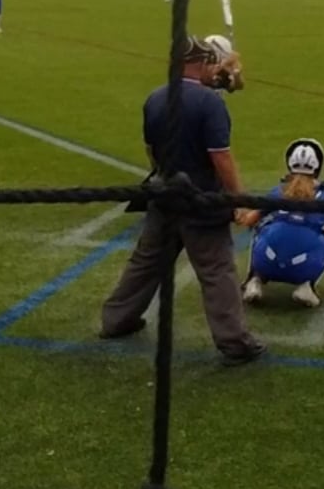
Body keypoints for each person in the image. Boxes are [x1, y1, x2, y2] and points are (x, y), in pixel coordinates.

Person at [100, 36, 265, 364]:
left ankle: (116, 320)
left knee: (145, 263)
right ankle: (235, 342)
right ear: (201, 63)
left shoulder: (155, 98)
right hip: (202, 202)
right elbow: (221, 157)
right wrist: (238, 199)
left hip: (163, 196)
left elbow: (151, 151)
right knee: (217, 271)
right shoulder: (209, 103)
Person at [241, 138, 324, 309]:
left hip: (267, 261)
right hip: (303, 267)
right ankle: (306, 286)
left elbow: (248, 220)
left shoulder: (278, 192)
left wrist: (236, 213)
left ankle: (254, 280)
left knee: (261, 228)